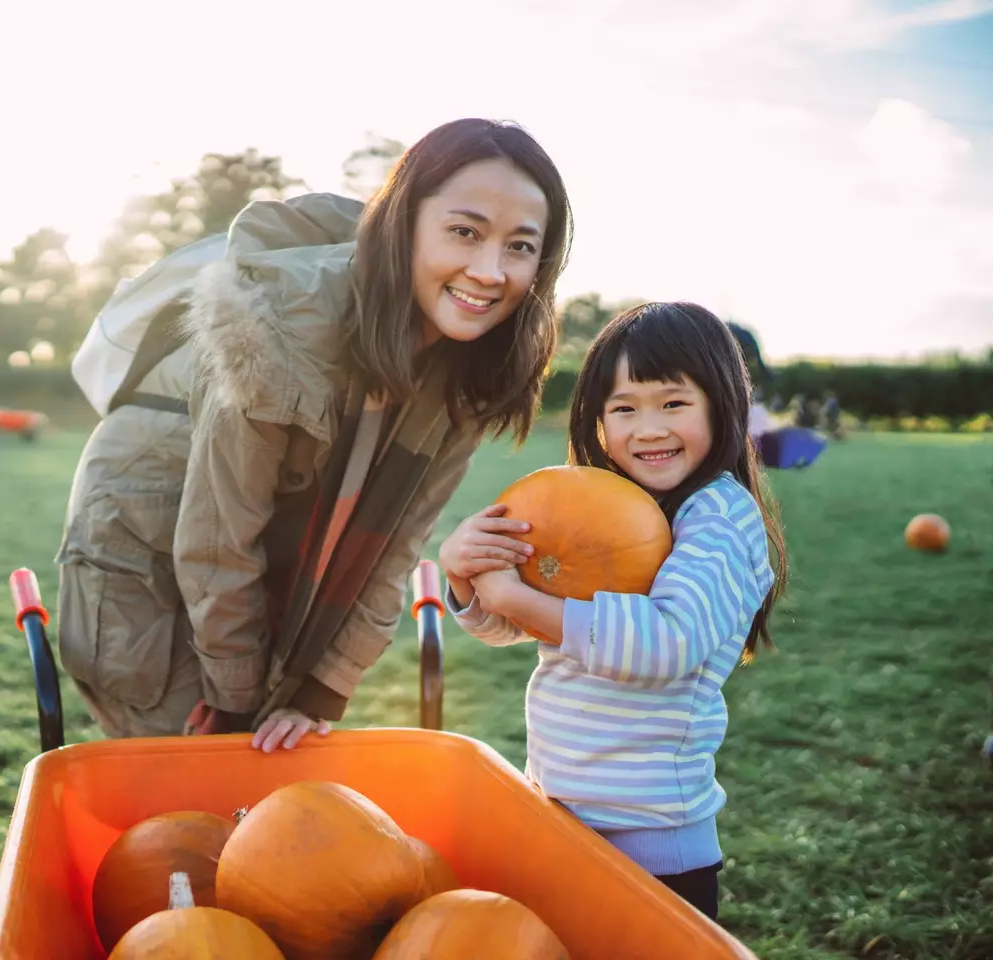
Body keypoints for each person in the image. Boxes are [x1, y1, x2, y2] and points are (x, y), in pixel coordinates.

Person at [54, 118, 574, 751]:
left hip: (253, 539)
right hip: (147, 520)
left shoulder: (472, 369)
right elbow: (220, 536)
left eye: (520, 246)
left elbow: (396, 545)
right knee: (186, 762)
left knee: (268, 749)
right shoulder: (280, 324)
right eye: (464, 232)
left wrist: (322, 686)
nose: (490, 272)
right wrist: (235, 698)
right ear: (403, 223)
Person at [437, 302, 788, 922]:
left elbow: (667, 644)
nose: (647, 428)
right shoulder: (595, 502)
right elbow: (517, 625)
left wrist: (517, 596)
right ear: (596, 420)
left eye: (673, 404)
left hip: (651, 846)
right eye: (624, 408)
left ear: (723, 404)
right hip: (559, 813)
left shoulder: (718, 518)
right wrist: (467, 576)